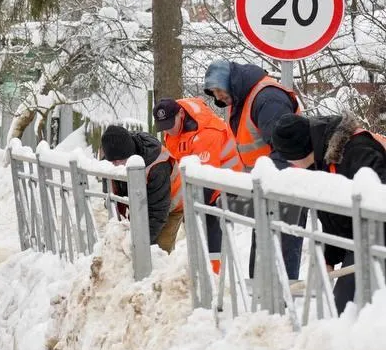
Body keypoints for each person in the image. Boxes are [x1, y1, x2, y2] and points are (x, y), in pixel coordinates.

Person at [270, 113, 386, 313]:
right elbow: (336, 216)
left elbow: (378, 205)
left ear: (300, 151)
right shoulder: (322, 157)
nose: (291, 165)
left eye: (290, 159)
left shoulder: (359, 152)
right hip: (360, 241)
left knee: (350, 306)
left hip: (376, 240)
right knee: (344, 306)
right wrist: (329, 258)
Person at [202, 60, 303, 279]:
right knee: (263, 263)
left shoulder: (268, 99)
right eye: (213, 93)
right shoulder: (240, 102)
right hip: (266, 190)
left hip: (285, 189)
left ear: (231, 83)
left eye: (218, 90)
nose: (217, 97)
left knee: (280, 265)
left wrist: (261, 183)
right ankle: (265, 305)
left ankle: (281, 308)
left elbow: (285, 149)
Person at [152, 97, 243, 259]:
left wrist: (190, 208)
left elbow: (206, 180)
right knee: (198, 238)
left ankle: (214, 278)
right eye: (163, 127)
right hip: (199, 182)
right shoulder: (172, 128)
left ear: (180, 114)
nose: (168, 131)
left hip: (223, 185)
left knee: (211, 239)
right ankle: (201, 272)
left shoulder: (206, 134)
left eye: (170, 125)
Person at [101, 124, 173, 246]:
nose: (116, 165)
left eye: (118, 161)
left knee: (157, 252)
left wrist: (140, 246)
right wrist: (119, 231)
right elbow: (112, 198)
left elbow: (158, 211)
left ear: (129, 154)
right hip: (141, 202)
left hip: (169, 204)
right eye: (112, 162)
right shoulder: (112, 160)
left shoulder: (156, 164)